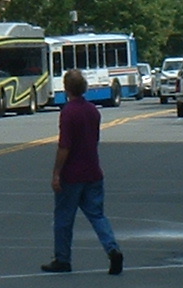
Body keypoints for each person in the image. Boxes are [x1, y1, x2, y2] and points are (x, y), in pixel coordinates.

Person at [42, 67, 123, 276]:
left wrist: (56, 173)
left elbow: (65, 146)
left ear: (67, 88)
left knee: (64, 218)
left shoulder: (68, 112)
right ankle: (112, 249)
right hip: (93, 171)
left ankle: (62, 259)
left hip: (72, 174)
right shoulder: (92, 111)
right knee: (97, 215)